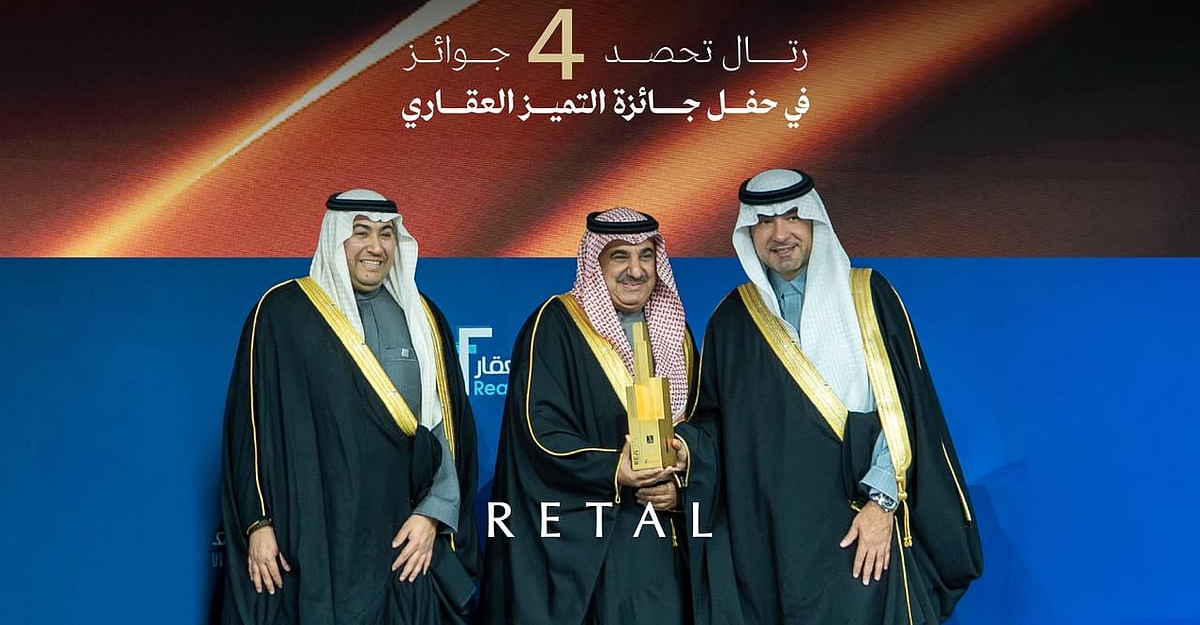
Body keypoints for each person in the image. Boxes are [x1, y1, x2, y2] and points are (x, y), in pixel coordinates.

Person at [690, 169, 983, 624]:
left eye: (792, 217)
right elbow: (712, 428)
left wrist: (882, 505)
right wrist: (681, 450)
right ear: (748, 231)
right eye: (765, 222)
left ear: (815, 222)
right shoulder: (731, 320)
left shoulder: (867, 295)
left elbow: (905, 410)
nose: (780, 234)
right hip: (769, 548)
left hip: (859, 529)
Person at [220, 189, 481, 624]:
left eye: (385, 234)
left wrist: (433, 515)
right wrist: (258, 524)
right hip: (307, 538)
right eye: (361, 232)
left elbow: (444, 430)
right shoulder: (282, 313)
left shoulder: (425, 319)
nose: (375, 247)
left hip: (399, 541)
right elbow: (248, 429)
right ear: (335, 236)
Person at [479, 207, 703, 624]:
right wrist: (613, 469)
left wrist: (681, 486)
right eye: (620, 256)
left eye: (646, 255)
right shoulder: (556, 324)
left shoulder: (678, 333)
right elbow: (538, 432)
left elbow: (701, 426)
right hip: (591, 543)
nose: (636, 270)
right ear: (595, 262)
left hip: (663, 541)